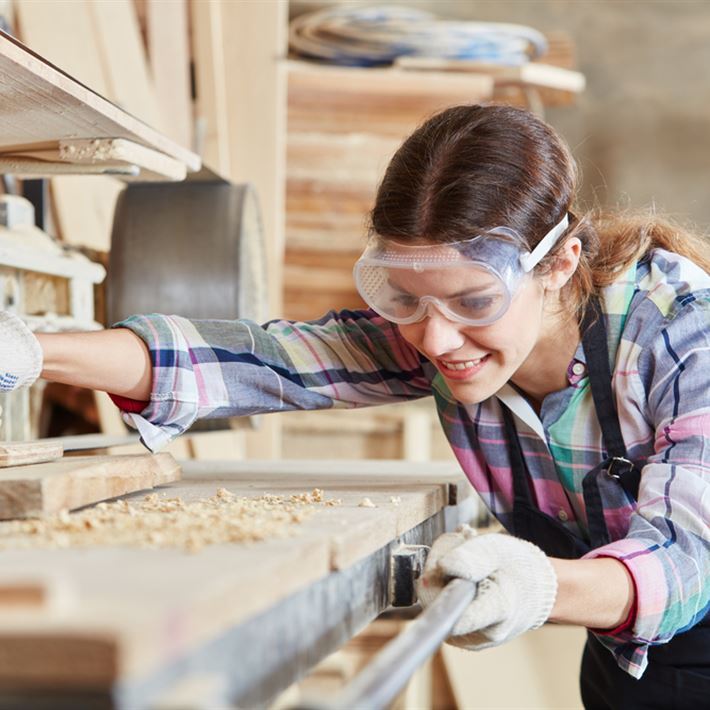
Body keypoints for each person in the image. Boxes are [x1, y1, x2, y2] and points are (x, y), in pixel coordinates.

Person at [2, 104, 709, 707]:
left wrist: (536, 584)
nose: (435, 337)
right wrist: (36, 350)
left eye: (473, 302)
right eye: (405, 299)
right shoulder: (442, 331)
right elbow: (256, 361)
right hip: (626, 666)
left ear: (558, 263)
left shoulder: (681, 334)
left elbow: (687, 561)